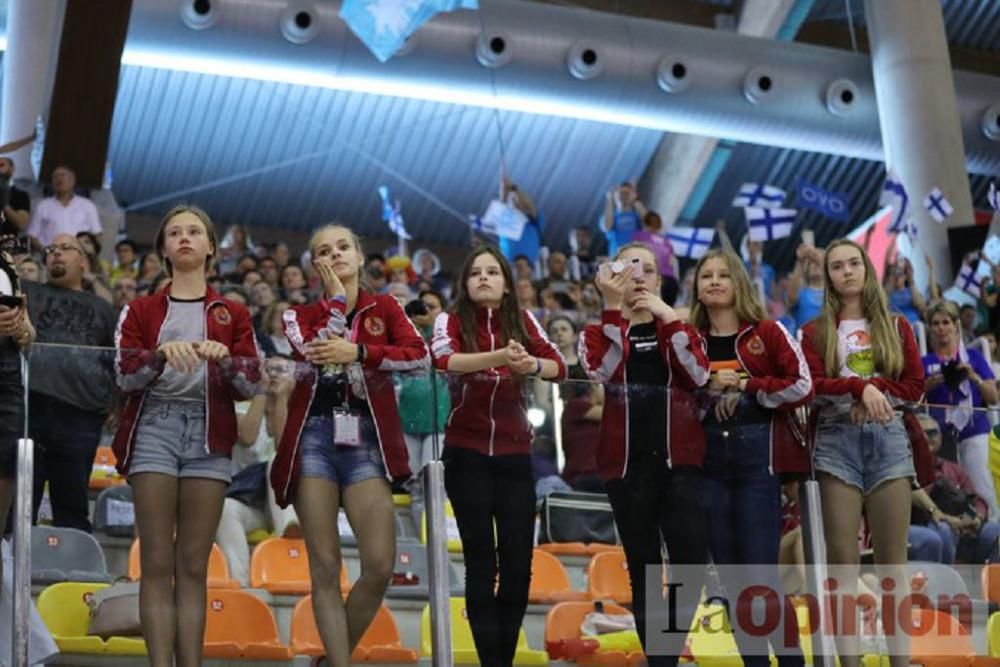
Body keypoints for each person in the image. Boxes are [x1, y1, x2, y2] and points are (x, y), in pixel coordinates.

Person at [270, 224, 428, 667]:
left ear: (360, 257)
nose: (335, 254)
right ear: (315, 265)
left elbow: (419, 355)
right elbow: (312, 353)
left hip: (366, 437)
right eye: (324, 251)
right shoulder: (297, 314)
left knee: (379, 565)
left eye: (343, 247)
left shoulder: (387, 307)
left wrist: (360, 353)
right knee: (324, 566)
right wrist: (337, 300)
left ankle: (327, 661)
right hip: (313, 437)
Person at [112, 205, 260, 667]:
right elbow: (123, 376)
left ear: (211, 246)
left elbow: (251, 383)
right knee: (156, 562)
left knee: (194, 566)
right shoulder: (140, 309)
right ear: (163, 249)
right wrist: (157, 356)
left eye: (194, 232)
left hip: (209, 430)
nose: (184, 238)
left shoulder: (232, 312)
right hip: (154, 425)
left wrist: (227, 361)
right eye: (174, 233)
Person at [430, 245, 566, 667]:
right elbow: (443, 360)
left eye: (493, 272)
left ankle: (500, 662)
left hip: (515, 456)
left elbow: (558, 365)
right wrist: (502, 359)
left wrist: (529, 366)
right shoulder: (449, 320)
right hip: (464, 454)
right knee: (480, 563)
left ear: (507, 284)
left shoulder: (523, 321)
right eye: (475, 273)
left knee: (517, 568)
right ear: (465, 284)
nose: (484, 278)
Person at [579, 241, 710, 667]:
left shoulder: (679, 328)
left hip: (681, 463)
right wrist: (613, 310)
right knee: (644, 570)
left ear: (659, 280)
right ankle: (662, 661)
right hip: (626, 465)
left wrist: (669, 318)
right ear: (612, 275)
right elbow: (606, 374)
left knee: (689, 564)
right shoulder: (596, 332)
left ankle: (664, 657)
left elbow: (697, 374)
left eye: (647, 270)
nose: (638, 276)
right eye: (628, 267)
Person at [799, 239, 924, 667]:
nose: (847, 271)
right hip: (836, 442)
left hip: (888, 438)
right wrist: (860, 386)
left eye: (854, 263)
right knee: (843, 566)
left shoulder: (895, 324)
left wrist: (874, 394)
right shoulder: (814, 332)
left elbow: (914, 387)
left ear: (867, 269)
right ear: (828, 275)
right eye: (837, 266)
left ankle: (900, 662)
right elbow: (812, 386)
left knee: (894, 565)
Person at [689, 249, 812, 667]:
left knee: (761, 577)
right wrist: (708, 390)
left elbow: (802, 385)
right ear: (697, 289)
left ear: (739, 282)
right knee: (732, 579)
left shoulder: (768, 330)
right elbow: (676, 399)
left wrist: (746, 386)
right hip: (707, 465)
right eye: (706, 275)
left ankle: (792, 662)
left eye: (724, 274)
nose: (715, 281)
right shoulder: (688, 340)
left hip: (758, 461)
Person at [23, 234, 116, 531]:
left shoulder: (102, 307)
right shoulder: (28, 292)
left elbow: (115, 359)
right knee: (21, 502)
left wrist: (117, 403)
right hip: (29, 406)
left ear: (83, 261)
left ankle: (76, 573)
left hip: (81, 414)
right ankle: (10, 573)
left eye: (65, 249)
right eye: (51, 249)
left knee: (72, 504)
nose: (56, 254)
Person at [216, 356, 298, 585]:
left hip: (284, 503)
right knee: (224, 509)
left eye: (282, 370)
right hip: (249, 500)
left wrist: (281, 399)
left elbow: (285, 450)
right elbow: (247, 437)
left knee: (276, 461)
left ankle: (288, 538)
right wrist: (261, 392)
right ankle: (239, 583)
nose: (274, 374)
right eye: (269, 369)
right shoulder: (245, 403)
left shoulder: (297, 409)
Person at [923, 300, 999, 520]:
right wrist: (928, 386)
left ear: (956, 325)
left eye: (946, 322)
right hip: (941, 439)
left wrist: (973, 376)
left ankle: (993, 542)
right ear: (930, 328)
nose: (941, 328)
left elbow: (993, 397)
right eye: (935, 323)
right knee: (950, 497)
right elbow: (913, 400)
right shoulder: (924, 362)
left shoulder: (973, 357)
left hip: (974, 432)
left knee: (984, 492)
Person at [910, 414, 1000, 564]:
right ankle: (947, 584)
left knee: (994, 531)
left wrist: (975, 518)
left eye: (932, 433)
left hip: (964, 528)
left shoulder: (954, 469)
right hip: (929, 524)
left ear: (941, 438)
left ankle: (991, 584)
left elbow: (976, 500)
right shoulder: (908, 469)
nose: (927, 437)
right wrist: (948, 519)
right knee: (943, 529)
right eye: (921, 433)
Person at [27, 166, 102, 248]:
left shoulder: (87, 205)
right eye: (55, 177)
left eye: (62, 176)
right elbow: (32, 235)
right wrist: (45, 252)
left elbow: (96, 234)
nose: (59, 179)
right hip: (51, 254)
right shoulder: (43, 206)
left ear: (73, 180)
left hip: (79, 254)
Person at [631, 211, 679, 305]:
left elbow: (634, 257)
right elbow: (671, 263)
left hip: (659, 280)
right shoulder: (666, 241)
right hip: (665, 280)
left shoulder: (639, 236)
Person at [787, 243, 825, 332]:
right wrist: (800, 261)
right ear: (806, 268)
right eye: (811, 263)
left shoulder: (833, 293)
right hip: (804, 343)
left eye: (818, 262)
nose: (815, 265)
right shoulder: (800, 293)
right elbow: (791, 298)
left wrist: (819, 260)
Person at [602, 182, 646, 257]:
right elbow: (607, 227)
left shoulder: (636, 215)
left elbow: (650, 225)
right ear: (615, 196)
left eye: (627, 193)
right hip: (618, 258)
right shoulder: (610, 216)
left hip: (635, 257)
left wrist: (636, 199)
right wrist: (610, 199)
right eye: (621, 193)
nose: (623, 196)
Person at [0, 156, 31, 236]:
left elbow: (22, 224)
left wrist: (4, 203)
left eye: (1, 165)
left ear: (12, 169)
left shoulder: (21, 195)